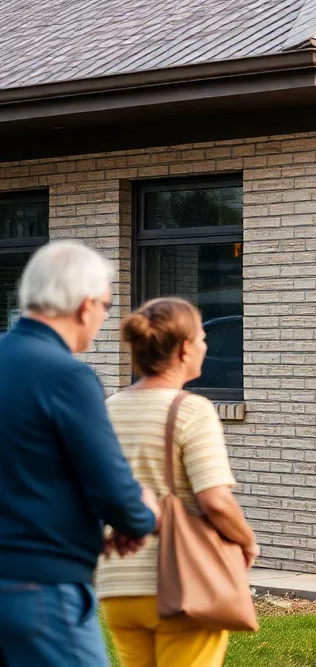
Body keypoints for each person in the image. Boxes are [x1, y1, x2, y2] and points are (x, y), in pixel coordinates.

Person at [0, 240, 159, 665]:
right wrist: (141, 514)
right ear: (86, 305)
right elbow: (111, 487)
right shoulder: (66, 376)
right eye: (107, 306)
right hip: (40, 590)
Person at [98, 297, 258, 667]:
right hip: (182, 583)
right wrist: (247, 541)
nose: (205, 346)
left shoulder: (108, 409)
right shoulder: (191, 410)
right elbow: (215, 501)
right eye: (202, 338)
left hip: (119, 586)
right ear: (185, 348)